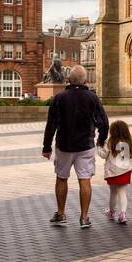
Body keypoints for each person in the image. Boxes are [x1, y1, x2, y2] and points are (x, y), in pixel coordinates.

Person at [42, 65, 109, 229]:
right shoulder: (92, 98)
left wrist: (47, 147)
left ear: (69, 80)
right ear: (85, 80)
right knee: (84, 180)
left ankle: (61, 213)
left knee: (61, 178)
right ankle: (84, 217)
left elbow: (51, 124)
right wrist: (100, 140)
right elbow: (104, 123)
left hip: (64, 145)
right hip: (85, 145)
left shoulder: (59, 98)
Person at [97, 120, 132, 225]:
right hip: (125, 171)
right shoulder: (129, 141)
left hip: (112, 172)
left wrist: (98, 146)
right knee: (122, 192)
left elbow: (103, 155)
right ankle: (123, 214)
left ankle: (112, 212)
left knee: (113, 192)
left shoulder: (110, 142)